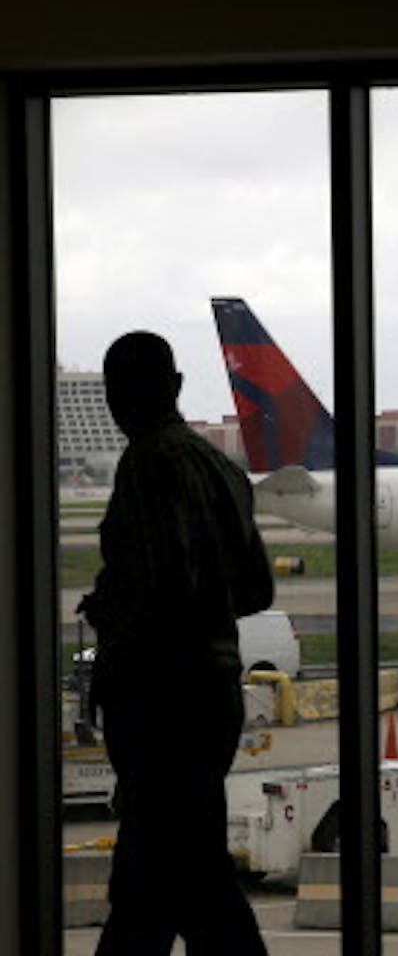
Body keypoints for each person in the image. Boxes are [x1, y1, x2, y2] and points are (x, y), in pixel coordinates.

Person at [79, 331, 273, 956]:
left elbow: (169, 590)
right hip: (212, 690)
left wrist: (116, 611)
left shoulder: (147, 464)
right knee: (170, 870)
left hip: (163, 698)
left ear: (118, 396)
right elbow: (256, 589)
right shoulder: (219, 465)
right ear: (179, 386)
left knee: (171, 872)